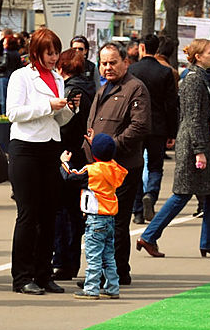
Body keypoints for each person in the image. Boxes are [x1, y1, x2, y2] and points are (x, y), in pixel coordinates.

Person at [136, 39, 210, 258]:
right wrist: (200, 150)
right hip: (196, 144)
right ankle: (149, 236)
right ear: (198, 57)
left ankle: (209, 242)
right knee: (182, 194)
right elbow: (193, 117)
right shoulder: (194, 80)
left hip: (198, 143)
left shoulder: (196, 77)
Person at [6, 27, 75, 295]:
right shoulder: (20, 76)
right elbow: (13, 113)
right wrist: (49, 106)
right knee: (28, 214)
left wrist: (68, 109)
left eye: (56, 52)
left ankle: (43, 273)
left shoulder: (57, 78)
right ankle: (22, 276)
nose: (54, 57)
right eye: (49, 52)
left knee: (49, 215)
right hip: (25, 148)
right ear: (36, 52)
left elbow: (58, 119)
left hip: (49, 147)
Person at [84, 42, 150, 285]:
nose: (108, 67)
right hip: (100, 168)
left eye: (113, 62)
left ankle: (116, 272)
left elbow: (140, 126)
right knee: (101, 222)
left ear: (126, 62)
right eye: (103, 63)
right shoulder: (104, 88)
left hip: (121, 167)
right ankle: (105, 271)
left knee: (116, 222)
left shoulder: (135, 88)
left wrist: (111, 145)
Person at [60, 133, 127, 300]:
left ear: (94, 153)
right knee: (108, 256)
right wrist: (95, 144)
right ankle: (112, 287)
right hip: (110, 218)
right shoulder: (114, 169)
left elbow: (70, 176)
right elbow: (109, 159)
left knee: (93, 256)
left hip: (94, 218)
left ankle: (91, 288)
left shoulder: (92, 171)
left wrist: (64, 162)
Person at [52, 48, 96, 281]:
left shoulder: (72, 90)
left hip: (68, 154)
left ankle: (63, 260)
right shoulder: (88, 87)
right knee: (73, 211)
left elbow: (65, 126)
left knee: (64, 211)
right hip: (80, 152)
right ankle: (69, 260)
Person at [128, 33, 178, 223]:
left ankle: (138, 210)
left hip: (136, 125)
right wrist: (172, 131)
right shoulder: (165, 72)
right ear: (157, 49)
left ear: (142, 48)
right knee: (156, 166)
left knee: (135, 166)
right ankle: (151, 194)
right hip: (158, 126)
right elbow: (171, 104)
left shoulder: (132, 70)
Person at [0, 34, 23, 114]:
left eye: (5, 42)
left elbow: (4, 64)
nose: (3, 43)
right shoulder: (17, 54)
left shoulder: (6, 53)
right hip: (12, 77)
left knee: (3, 98)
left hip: (4, 77)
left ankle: (4, 114)